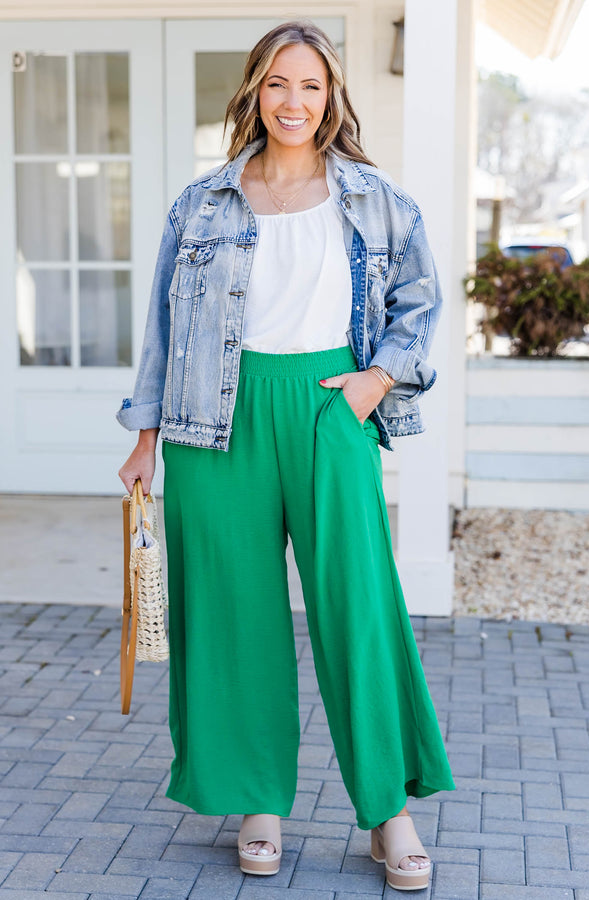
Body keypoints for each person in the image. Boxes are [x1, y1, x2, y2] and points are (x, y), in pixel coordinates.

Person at [117, 20, 455, 892]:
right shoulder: (202, 204)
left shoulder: (376, 198)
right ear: (254, 92)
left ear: (331, 96)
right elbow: (162, 327)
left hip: (327, 409)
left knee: (358, 606)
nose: (293, 101)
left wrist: (376, 382)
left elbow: (420, 302)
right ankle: (257, 798)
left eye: (310, 85)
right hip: (214, 420)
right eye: (277, 83)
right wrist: (146, 437)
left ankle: (388, 810)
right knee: (233, 612)